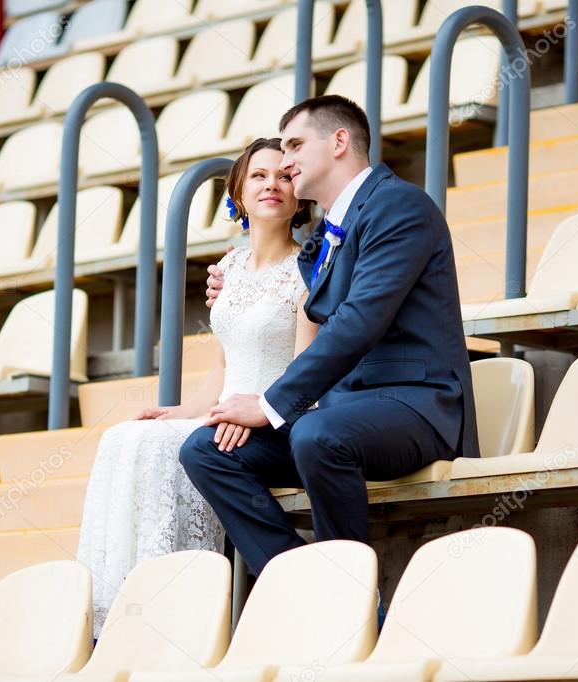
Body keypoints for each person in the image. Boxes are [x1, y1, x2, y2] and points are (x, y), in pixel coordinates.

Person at [181, 95, 480, 581]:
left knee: (318, 435)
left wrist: (270, 404)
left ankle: (349, 592)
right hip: (341, 413)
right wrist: (232, 283)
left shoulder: (398, 206)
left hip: (415, 406)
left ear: (339, 141)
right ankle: (298, 577)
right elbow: (306, 304)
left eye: (295, 145)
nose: (287, 160)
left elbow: (358, 322)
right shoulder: (326, 234)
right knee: (206, 449)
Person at [76, 138, 318, 638]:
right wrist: (183, 410)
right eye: (258, 175)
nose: (271, 184)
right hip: (223, 410)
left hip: (270, 416)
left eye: (283, 176)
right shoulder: (228, 269)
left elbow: (306, 371)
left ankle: (174, 615)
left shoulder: (308, 271)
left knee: (158, 446)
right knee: (125, 436)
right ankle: (122, 609)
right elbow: (225, 364)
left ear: (300, 196)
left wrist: (252, 411)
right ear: (238, 192)